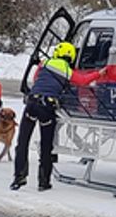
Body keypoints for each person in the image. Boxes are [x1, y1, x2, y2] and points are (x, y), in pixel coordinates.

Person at [11, 41, 75, 191]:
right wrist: (99, 73)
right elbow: (82, 80)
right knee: (46, 146)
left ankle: (19, 177)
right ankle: (44, 182)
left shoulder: (45, 63)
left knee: (23, 142)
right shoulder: (68, 71)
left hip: (32, 103)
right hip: (47, 107)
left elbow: (35, 78)